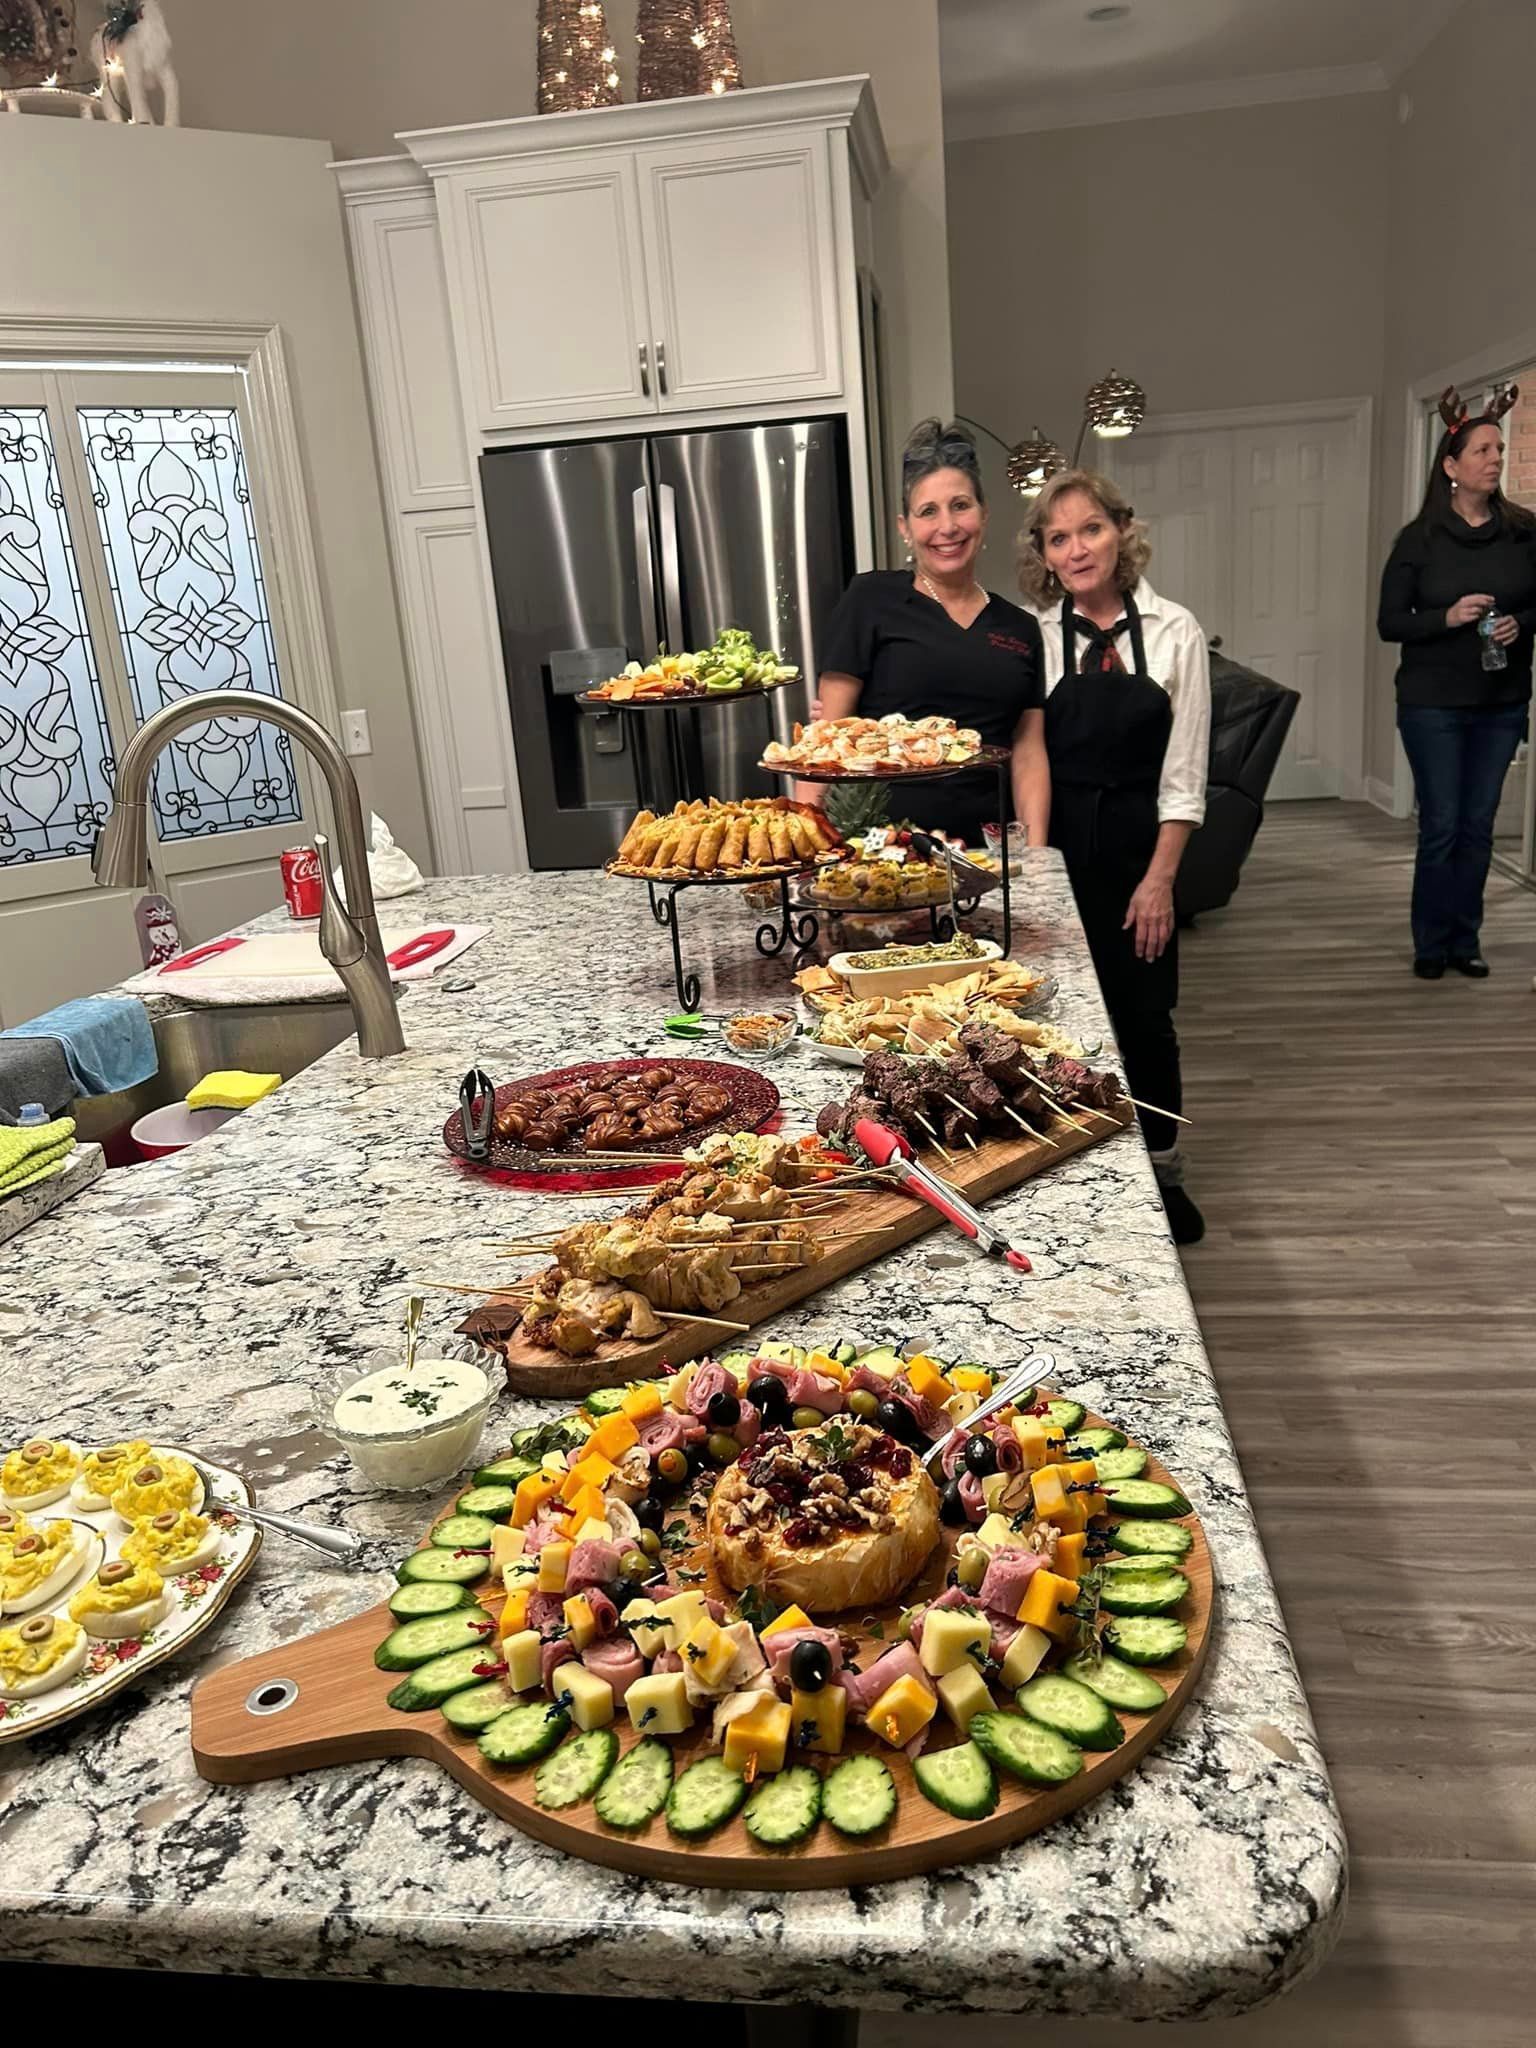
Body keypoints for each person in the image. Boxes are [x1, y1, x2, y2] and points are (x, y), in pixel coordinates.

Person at [1019, 470, 1211, 1247]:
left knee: (1145, 1019)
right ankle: (1079, 1175)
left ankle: (1163, 1172)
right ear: (1044, 553)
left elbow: (1186, 776)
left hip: (1141, 855)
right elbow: (1022, 757)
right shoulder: (1032, 637)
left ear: (1121, 532)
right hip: (1061, 854)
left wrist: (1161, 882)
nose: (1077, 548)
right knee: (1059, 1023)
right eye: (1059, 536)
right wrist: (1034, 874)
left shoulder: (1175, 632)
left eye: (1090, 528)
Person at [811, 419, 1051, 847]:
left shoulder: (1020, 627)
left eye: (961, 505)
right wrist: (809, 845)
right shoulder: (870, 599)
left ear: (984, 513)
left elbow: (1029, 754)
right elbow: (827, 739)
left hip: (988, 853)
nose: (948, 527)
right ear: (905, 527)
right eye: (928, 512)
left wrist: (1035, 857)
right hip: (879, 851)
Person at [1377, 385, 1536, 980]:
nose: (1495, 459)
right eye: (1482, 451)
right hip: (1431, 705)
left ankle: (1465, 939)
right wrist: (1446, 617)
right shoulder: (1418, 542)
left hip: (1501, 703)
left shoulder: (1523, 533)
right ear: (1451, 465)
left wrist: (1521, 621)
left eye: (1499, 449)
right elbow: (1389, 623)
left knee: (1477, 824)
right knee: (1442, 823)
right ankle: (1430, 942)